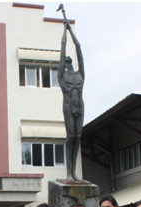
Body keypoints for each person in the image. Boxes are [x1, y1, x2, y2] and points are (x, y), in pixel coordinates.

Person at [58, 18, 85, 181]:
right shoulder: (63, 76)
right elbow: (62, 49)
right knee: (71, 136)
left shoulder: (80, 74)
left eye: (69, 61)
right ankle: (69, 172)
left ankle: (74, 172)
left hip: (80, 107)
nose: (67, 63)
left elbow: (79, 48)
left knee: (78, 137)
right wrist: (64, 33)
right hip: (68, 106)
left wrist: (71, 32)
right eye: (65, 62)